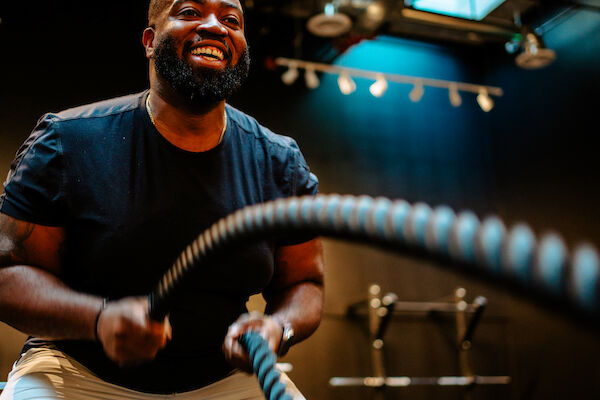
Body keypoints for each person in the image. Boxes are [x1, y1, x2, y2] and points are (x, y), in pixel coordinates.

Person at [0, 0, 324, 398]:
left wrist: (279, 328)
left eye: (231, 20)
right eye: (190, 12)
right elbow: (7, 275)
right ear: (150, 42)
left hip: (222, 377)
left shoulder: (279, 161)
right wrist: (97, 320)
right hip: (79, 371)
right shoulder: (66, 141)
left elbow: (305, 282)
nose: (216, 27)